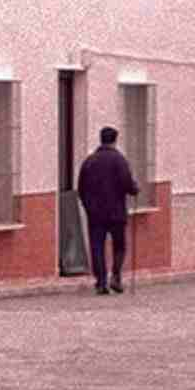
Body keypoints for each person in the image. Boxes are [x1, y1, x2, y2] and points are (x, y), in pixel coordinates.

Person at [77, 126, 140, 295]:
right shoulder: (119, 160)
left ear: (101, 139)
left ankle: (101, 282)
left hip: (95, 213)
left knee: (97, 246)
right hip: (116, 212)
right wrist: (135, 189)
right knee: (119, 246)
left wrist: (88, 206)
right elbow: (128, 184)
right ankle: (116, 276)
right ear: (115, 140)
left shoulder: (89, 161)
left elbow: (81, 188)